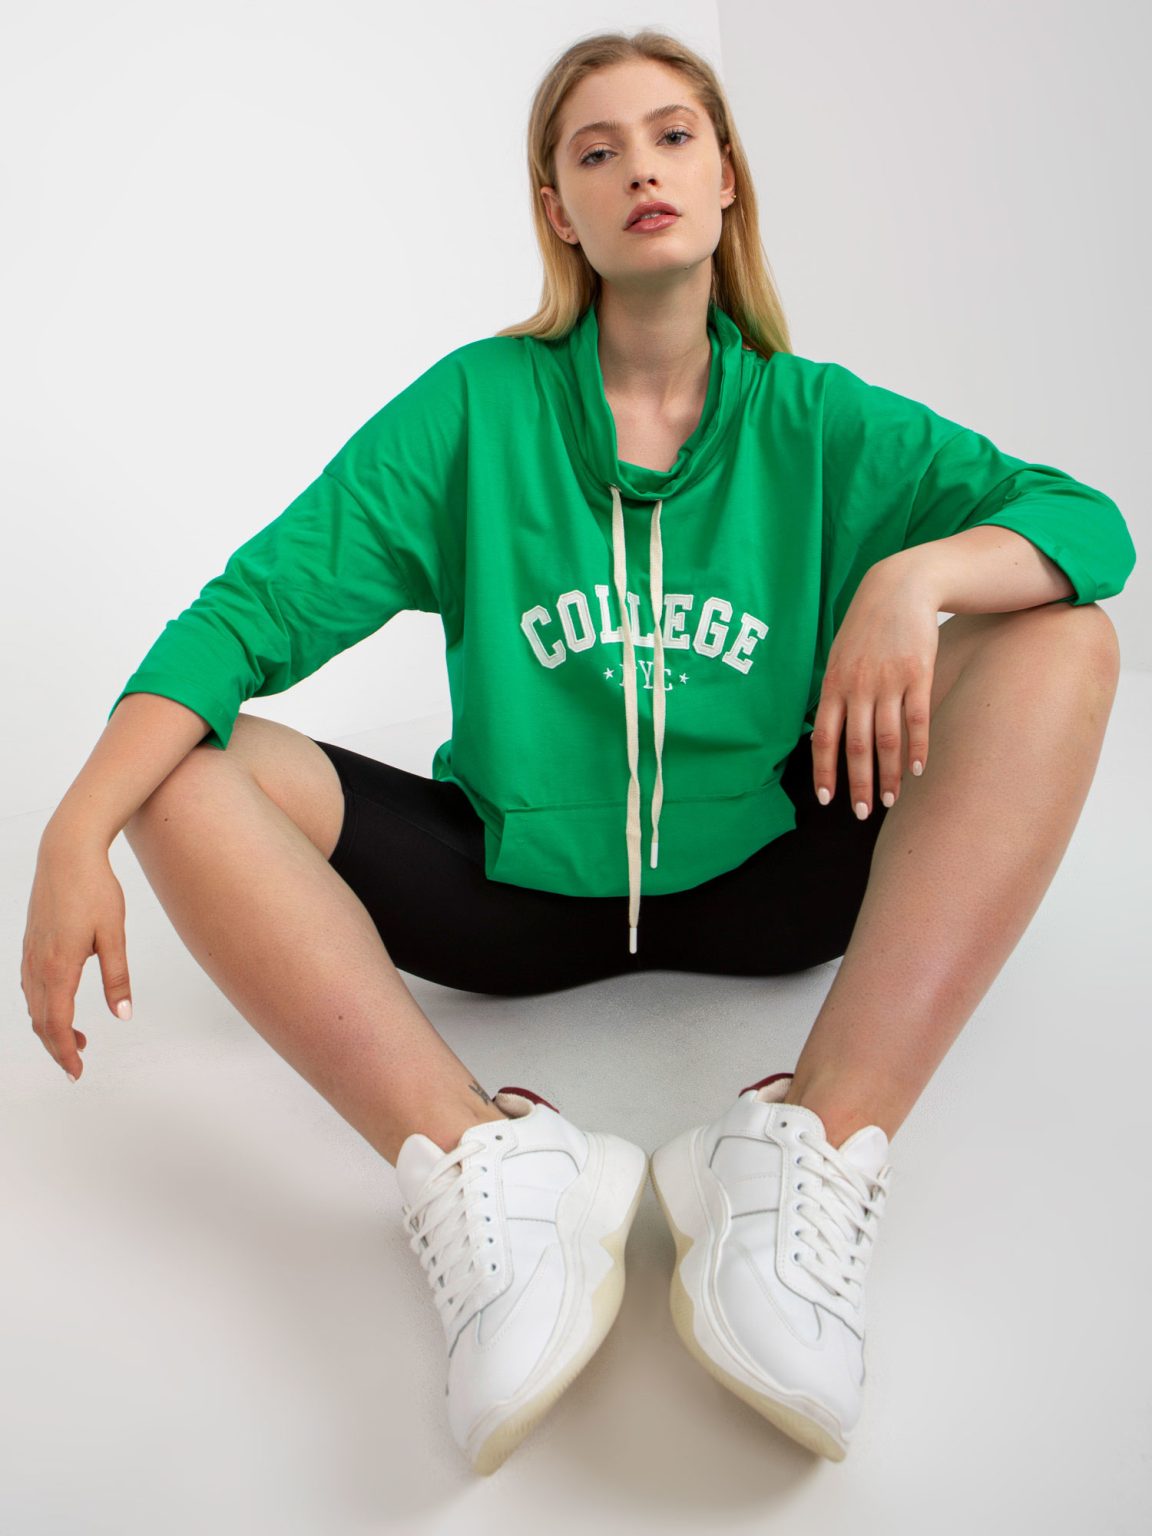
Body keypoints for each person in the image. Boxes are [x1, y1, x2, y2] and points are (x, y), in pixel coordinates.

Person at [21, 29, 1135, 1475]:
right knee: (179, 772)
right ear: (559, 210)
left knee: (1063, 640)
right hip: (509, 897)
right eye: (596, 151)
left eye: (673, 136)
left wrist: (913, 579)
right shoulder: (477, 412)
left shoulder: (816, 422)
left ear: (727, 179)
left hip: (779, 870)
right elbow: (246, 617)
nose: (639, 171)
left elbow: (1087, 525)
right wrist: (75, 827)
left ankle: (808, 1147)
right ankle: (490, 1169)